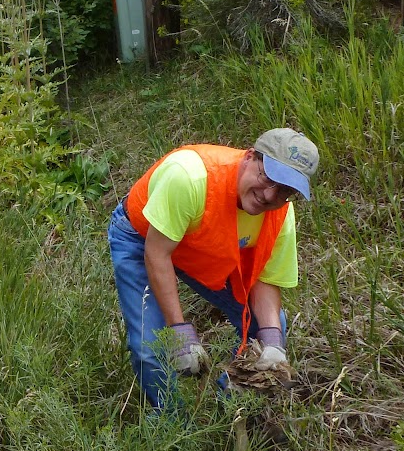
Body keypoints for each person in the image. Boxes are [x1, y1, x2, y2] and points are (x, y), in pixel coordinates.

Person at [107, 128, 319, 409]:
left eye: (285, 190)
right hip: (144, 238)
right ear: (250, 157)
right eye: (268, 177)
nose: (270, 195)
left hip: (203, 244)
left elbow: (264, 279)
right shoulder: (190, 177)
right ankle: (170, 420)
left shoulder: (280, 214)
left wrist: (272, 344)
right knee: (150, 347)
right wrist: (179, 333)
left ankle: (231, 410)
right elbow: (157, 255)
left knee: (270, 326)